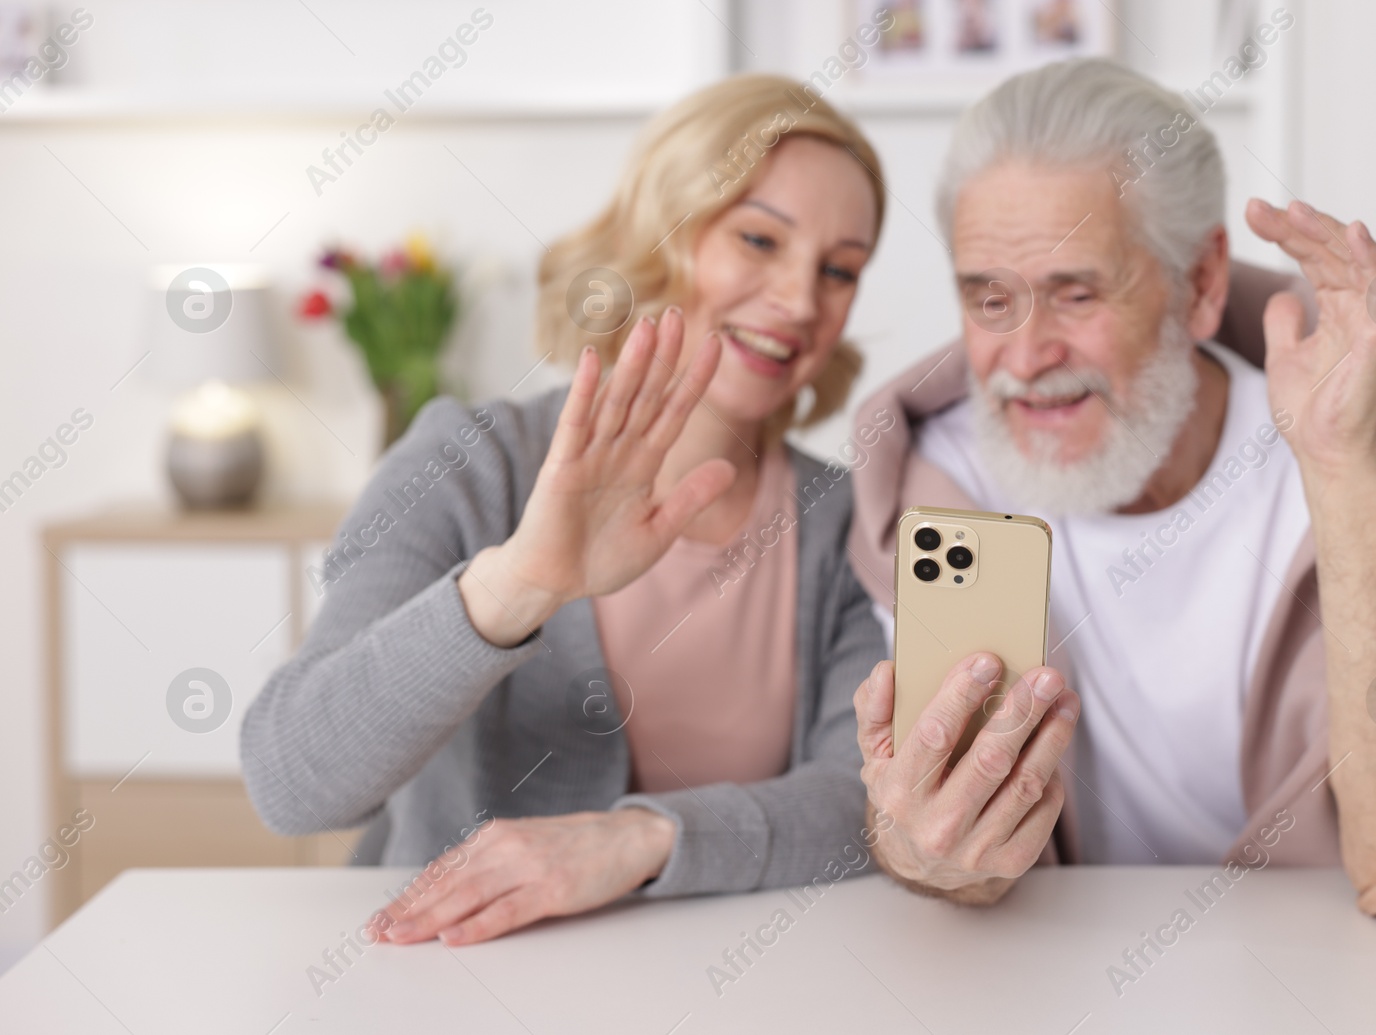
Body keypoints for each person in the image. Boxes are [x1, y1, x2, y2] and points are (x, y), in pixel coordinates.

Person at [847, 58, 1376, 925]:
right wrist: (917, 846)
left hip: (1319, 972)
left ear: (1200, 286)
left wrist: (1344, 473)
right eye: (990, 299)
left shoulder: (1357, 450)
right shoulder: (934, 489)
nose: (1026, 354)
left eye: (1075, 292)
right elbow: (957, 862)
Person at [241, 75, 890, 945]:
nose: (803, 300)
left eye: (839, 269)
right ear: (661, 230)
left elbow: (866, 800)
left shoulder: (840, 517)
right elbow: (293, 781)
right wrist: (517, 586)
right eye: (759, 238)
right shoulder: (474, 465)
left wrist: (641, 837)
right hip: (457, 978)